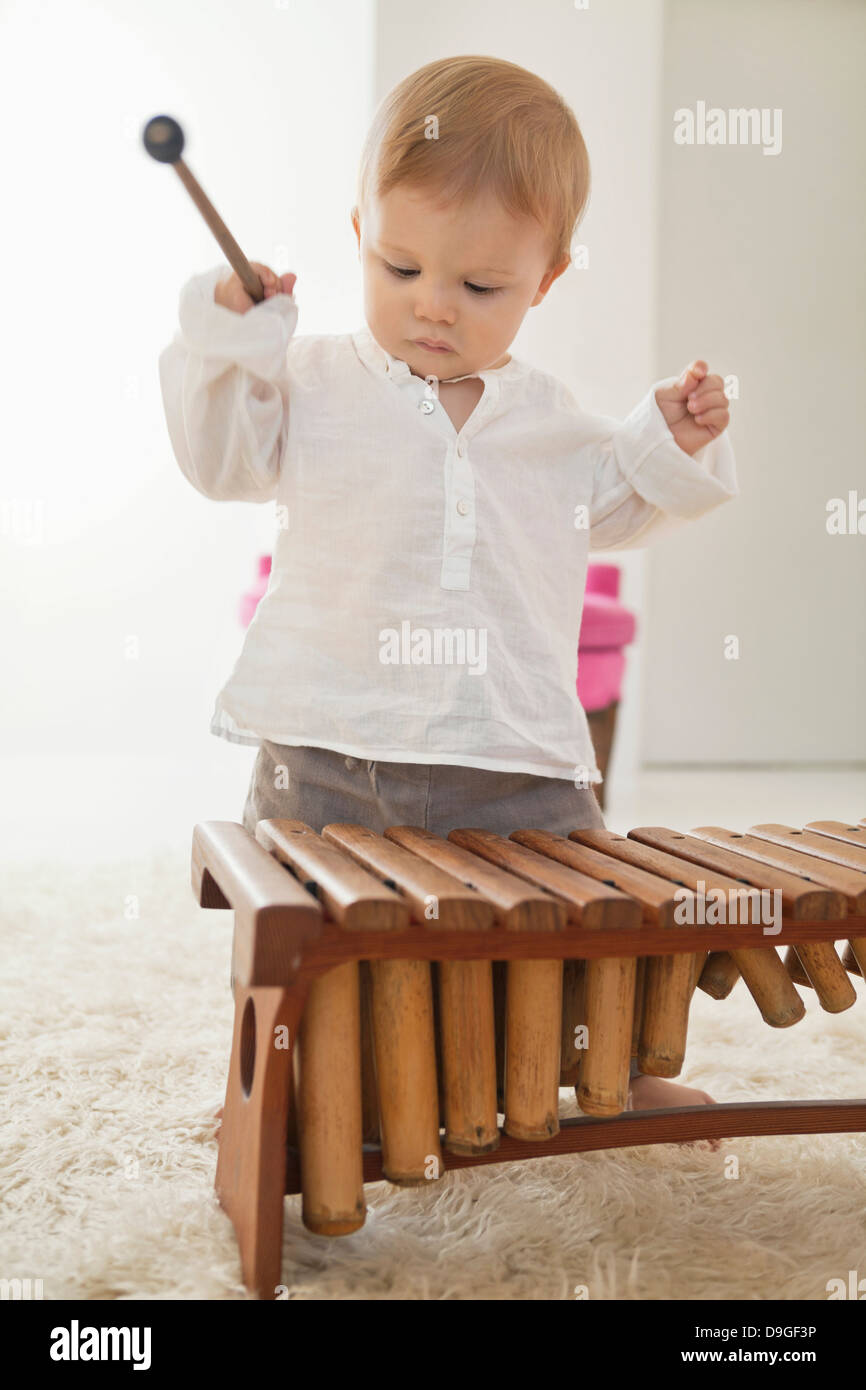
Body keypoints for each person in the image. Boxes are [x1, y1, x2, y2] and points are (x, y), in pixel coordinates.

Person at [159, 55, 734, 1117]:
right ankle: (302, 1088)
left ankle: (608, 1071)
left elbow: (622, 500)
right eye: (399, 266)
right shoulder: (311, 382)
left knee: (582, 927)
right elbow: (220, 462)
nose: (431, 307)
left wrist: (669, 432)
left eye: (477, 288)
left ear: (545, 279)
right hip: (329, 756)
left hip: (509, 761)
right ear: (357, 234)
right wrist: (231, 341)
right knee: (325, 956)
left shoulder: (551, 422)